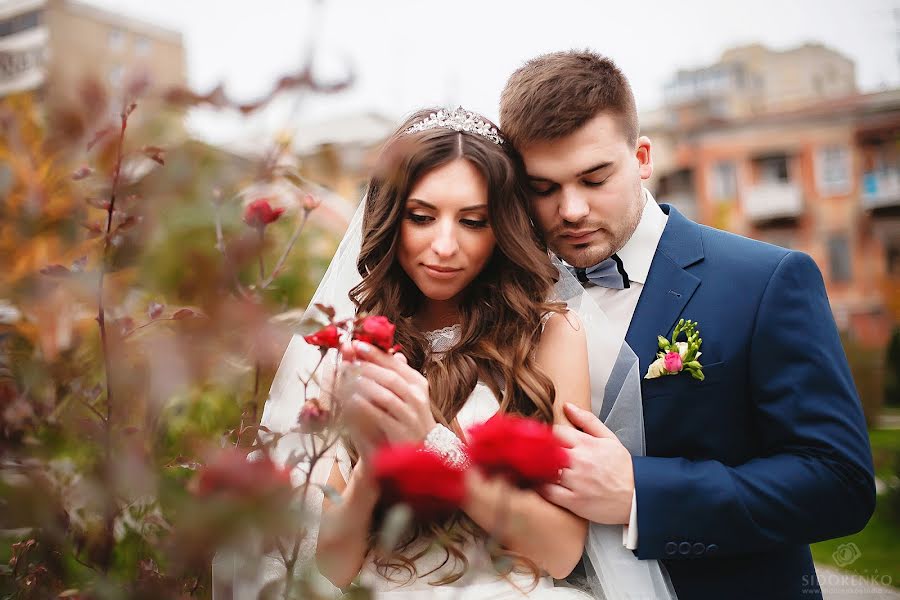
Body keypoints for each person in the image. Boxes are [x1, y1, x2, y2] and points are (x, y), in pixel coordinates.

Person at [243, 107, 675, 599]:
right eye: (422, 217)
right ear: (390, 218)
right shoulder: (348, 348)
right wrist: (374, 466)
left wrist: (431, 443)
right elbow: (333, 568)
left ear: (502, 228)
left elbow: (560, 551)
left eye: (473, 221)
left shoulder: (549, 334)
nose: (445, 245)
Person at [499, 50, 876, 600]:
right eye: (544, 188)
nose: (572, 209)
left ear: (643, 156)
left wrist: (640, 494)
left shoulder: (766, 280)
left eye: (594, 177)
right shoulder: (510, 299)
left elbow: (838, 484)